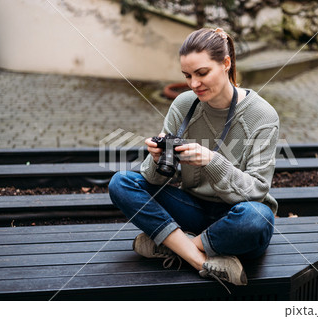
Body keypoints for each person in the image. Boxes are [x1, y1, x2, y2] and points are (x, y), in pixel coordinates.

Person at [109, 27, 279, 289]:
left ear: (225, 63)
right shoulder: (184, 104)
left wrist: (211, 161)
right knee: (121, 182)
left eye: (202, 73)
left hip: (237, 216)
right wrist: (156, 160)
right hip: (192, 209)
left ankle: (172, 244)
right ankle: (201, 261)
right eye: (187, 75)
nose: (193, 84)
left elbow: (256, 191)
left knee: (258, 218)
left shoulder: (263, 116)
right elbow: (154, 180)